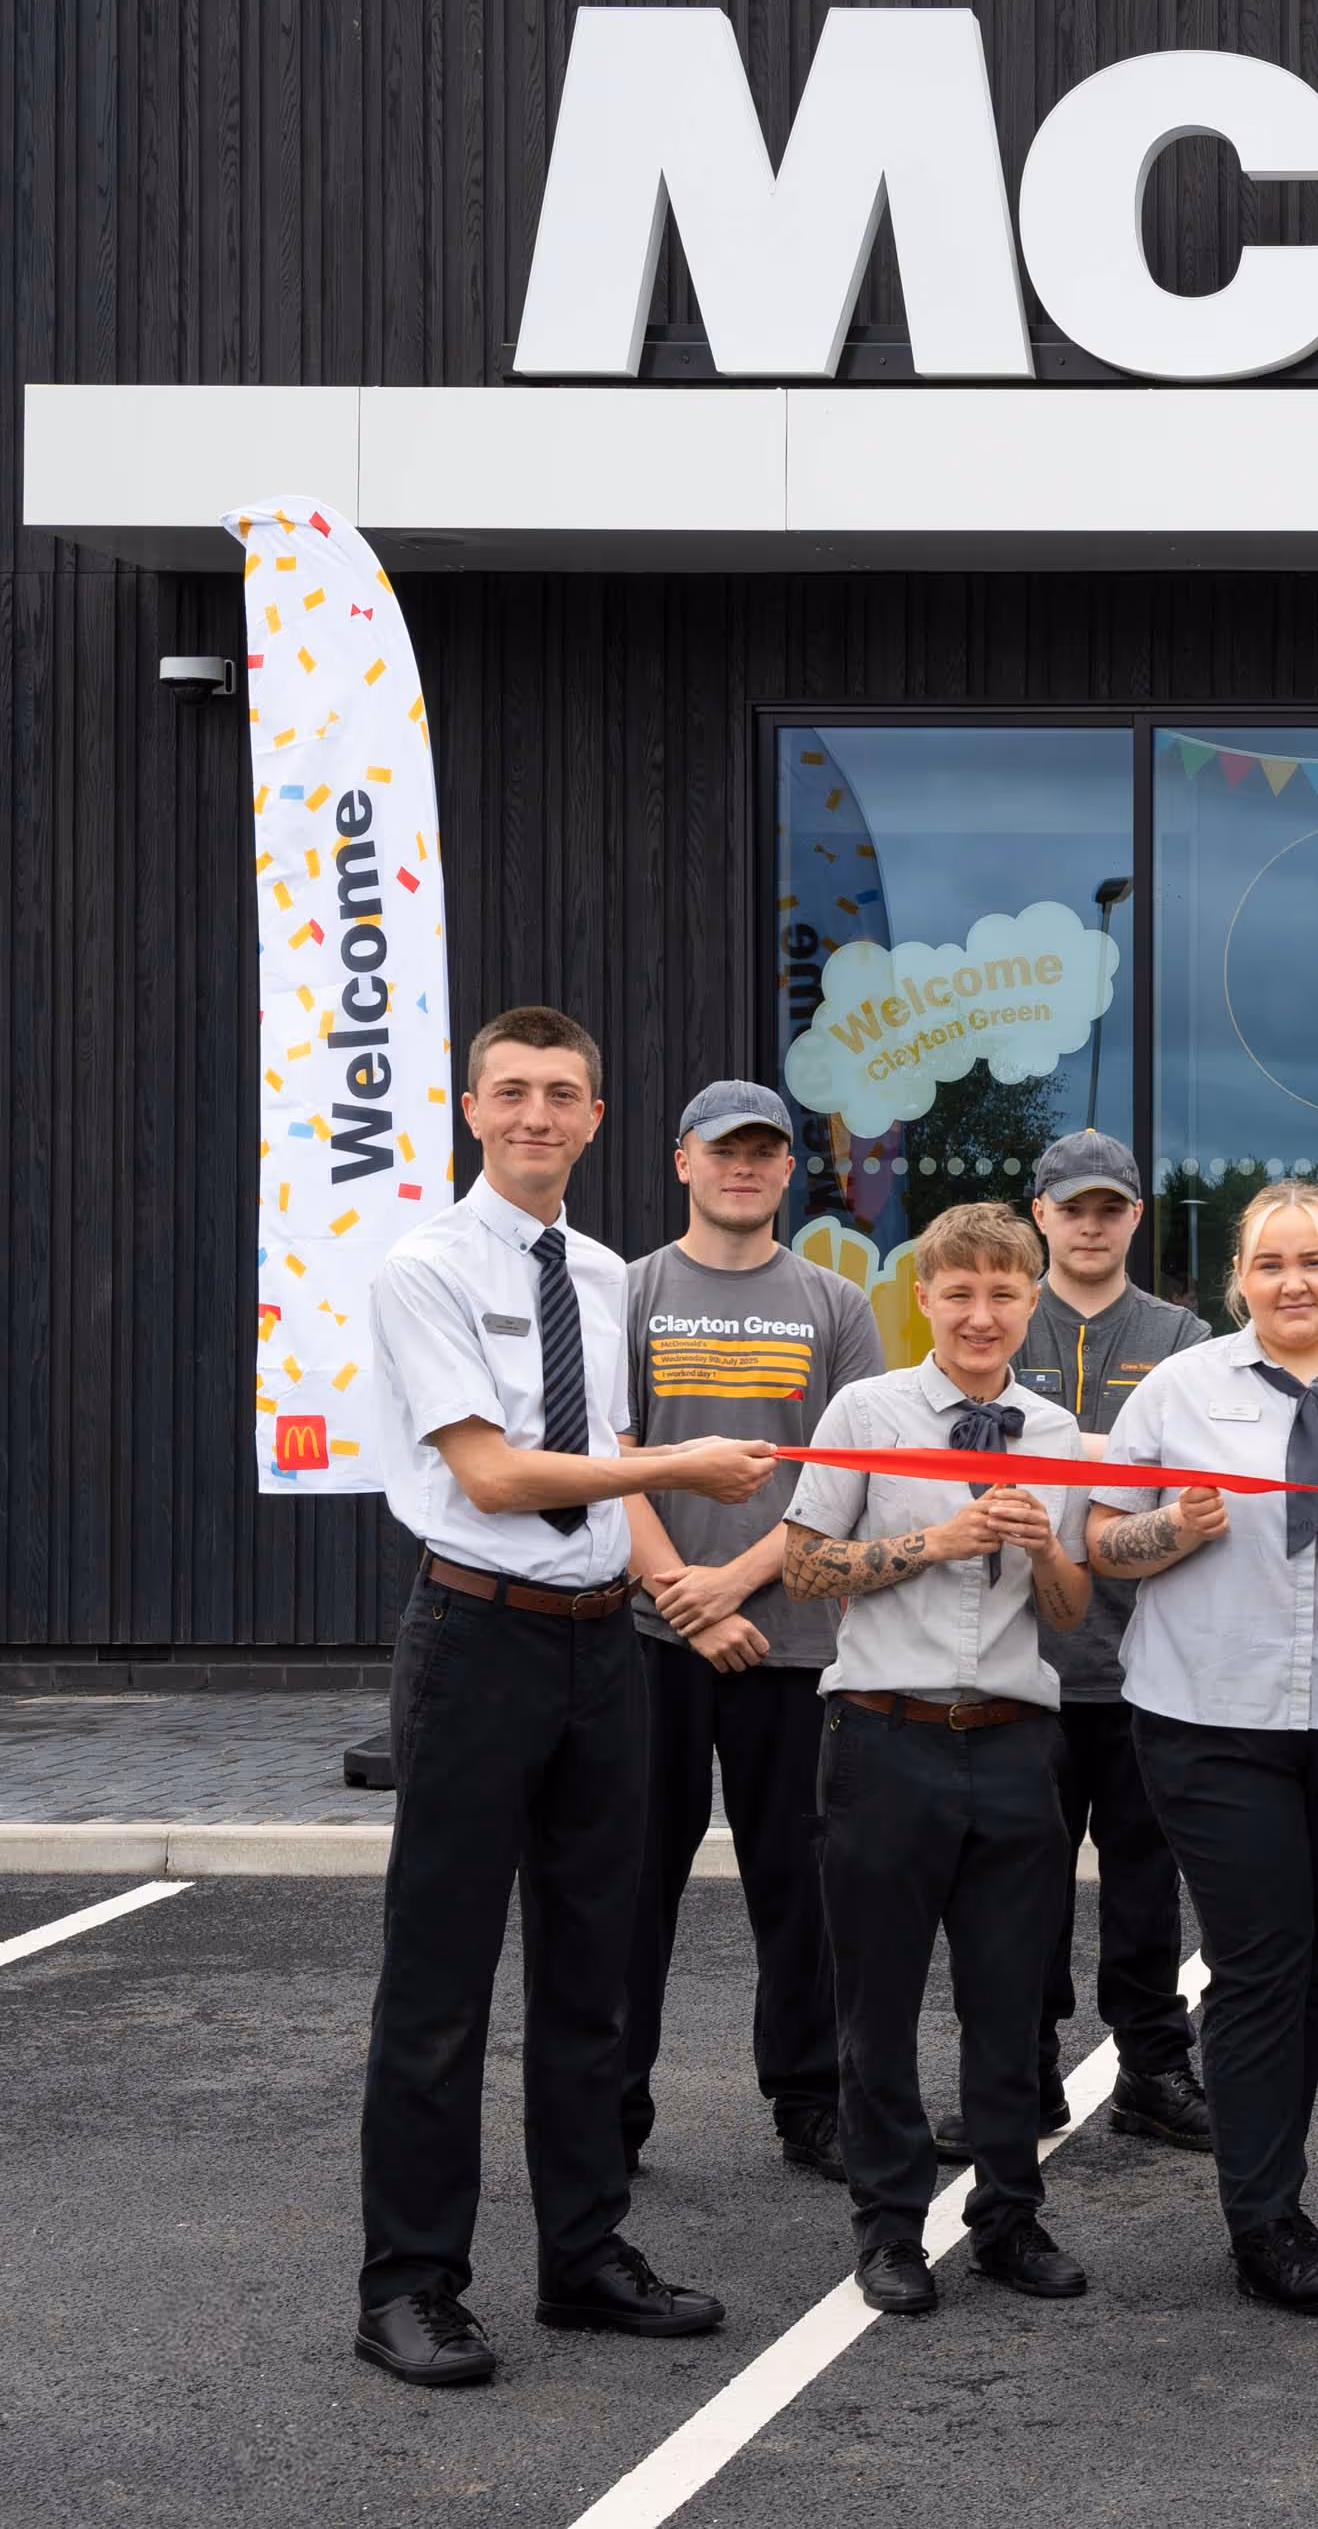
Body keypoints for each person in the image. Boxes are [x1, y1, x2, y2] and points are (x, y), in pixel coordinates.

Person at [354, 1006, 768, 2388]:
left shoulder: (598, 1270)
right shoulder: (422, 1266)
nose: (538, 1113)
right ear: (470, 1105)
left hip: (605, 1645)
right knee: (442, 1984)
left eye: (564, 1094)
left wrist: (656, 1504)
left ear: (597, 1119)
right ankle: (409, 2283)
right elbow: (495, 1472)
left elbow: (599, 1441)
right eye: (513, 1090)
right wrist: (671, 1473)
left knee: (595, 1974)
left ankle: (584, 2255)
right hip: (478, 1639)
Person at [1085, 1182, 1318, 2315]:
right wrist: (1174, 1528)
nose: (1292, 1282)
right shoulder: (1178, 1389)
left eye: (1313, 1261)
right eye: (1269, 1264)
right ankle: (1266, 2222)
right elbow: (1106, 1541)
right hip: (1209, 1717)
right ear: (1236, 1281)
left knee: (1307, 1965)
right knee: (1259, 1960)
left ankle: (1268, 2185)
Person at [777, 1204, 1100, 2316]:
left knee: (1009, 2006)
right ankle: (888, 2232)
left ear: (1030, 1302)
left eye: (1003, 1295)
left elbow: (1066, 1611)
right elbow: (805, 1571)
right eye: (958, 1292)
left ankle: (1010, 2215)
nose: (980, 1314)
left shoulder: (1055, 1435)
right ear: (923, 1298)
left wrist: (1048, 1545)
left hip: (1015, 1746)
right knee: (880, 2002)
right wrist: (934, 1543)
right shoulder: (866, 1410)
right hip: (883, 1740)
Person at [614, 1080, 881, 2185]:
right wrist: (680, 1589)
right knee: (629, 1887)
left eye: (765, 1151)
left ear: (786, 1172)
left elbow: (846, 1468)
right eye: (724, 1149)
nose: (744, 1166)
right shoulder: (626, 1293)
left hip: (794, 1640)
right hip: (646, 1639)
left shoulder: (837, 1303)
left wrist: (732, 1588)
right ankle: (610, 2106)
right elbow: (605, 1448)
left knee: (802, 1886)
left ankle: (809, 2101)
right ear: (683, 1161)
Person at [1011, 1129, 1215, 2158]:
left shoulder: (1182, 1336)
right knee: (1021, 1883)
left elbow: (1195, 1481)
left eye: (1110, 1208)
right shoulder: (999, 1319)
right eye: (1071, 1207)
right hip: (1019, 1663)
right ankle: (1024, 2068)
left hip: (1146, 1666)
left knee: (1143, 1882)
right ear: (1039, 1214)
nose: (1091, 1225)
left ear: (1136, 1217)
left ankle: (1152, 2069)